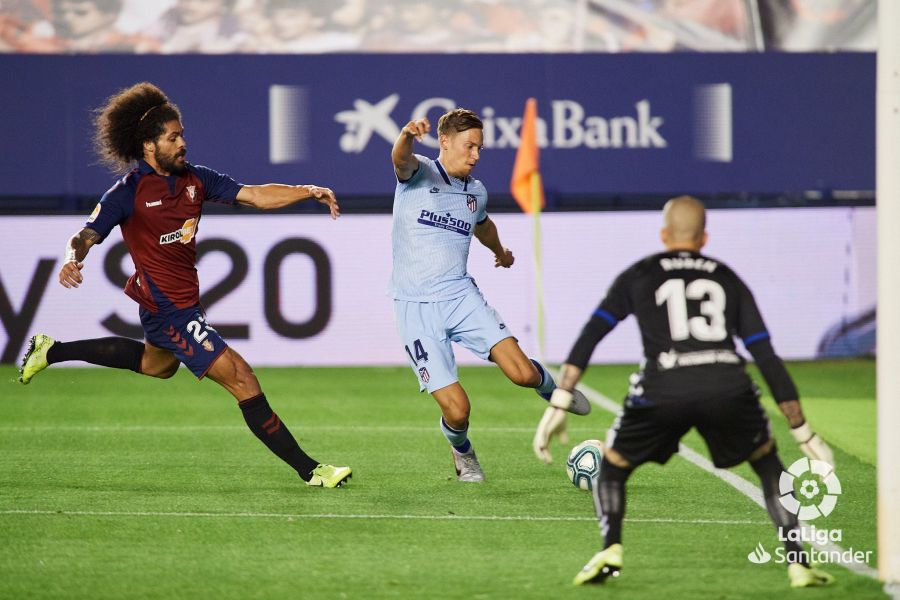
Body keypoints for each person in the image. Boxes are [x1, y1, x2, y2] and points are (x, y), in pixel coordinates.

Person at [18, 82, 351, 489]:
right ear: (148, 145)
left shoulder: (197, 179)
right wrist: (73, 260)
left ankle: (52, 350)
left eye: (182, 135)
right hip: (168, 308)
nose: (182, 143)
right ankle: (312, 470)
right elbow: (86, 235)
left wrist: (307, 190)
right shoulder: (127, 193)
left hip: (174, 304)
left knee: (156, 366)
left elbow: (256, 196)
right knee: (243, 379)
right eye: (173, 137)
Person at [534, 196, 835, 588]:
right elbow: (764, 354)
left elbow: (592, 334)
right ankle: (798, 563)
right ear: (704, 238)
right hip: (727, 385)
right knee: (767, 462)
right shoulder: (727, 277)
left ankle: (611, 547)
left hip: (663, 385)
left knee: (613, 465)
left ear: (663, 234)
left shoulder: (641, 273)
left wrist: (560, 398)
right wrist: (802, 430)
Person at [389, 109, 590, 483]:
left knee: (523, 374)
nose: (476, 155)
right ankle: (463, 452)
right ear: (444, 141)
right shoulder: (418, 174)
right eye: (469, 146)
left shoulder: (475, 191)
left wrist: (500, 251)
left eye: (480, 148)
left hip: (461, 298)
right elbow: (399, 158)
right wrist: (406, 135)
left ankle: (554, 390)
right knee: (458, 411)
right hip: (415, 308)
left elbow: (482, 224)